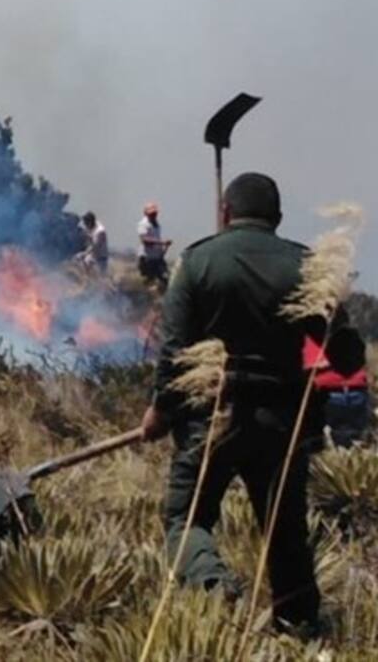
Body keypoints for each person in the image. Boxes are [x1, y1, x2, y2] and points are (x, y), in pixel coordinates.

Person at [139, 172, 366, 635]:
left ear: (224, 213)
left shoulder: (197, 262)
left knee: (186, 520)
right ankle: (299, 627)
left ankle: (212, 584)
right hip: (283, 424)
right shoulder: (308, 268)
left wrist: (161, 411)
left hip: (211, 419)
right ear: (277, 219)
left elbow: (176, 352)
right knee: (285, 531)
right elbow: (345, 357)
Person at [308, 337, 371, 448]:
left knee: (338, 431)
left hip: (331, 393)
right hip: (357, 390)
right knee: (355, 430)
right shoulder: (348, 341)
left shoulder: (313, 345)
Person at [137, 201, 172, 289]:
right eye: (152, 213)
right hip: (147, 259)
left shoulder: (156, 224)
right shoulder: (143, 224)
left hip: (157, 258)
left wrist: (163, 248)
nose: (154, 215)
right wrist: (162, 242)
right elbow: (144, 240)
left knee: (166, 279)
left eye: (155, 213)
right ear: (146, 213)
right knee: (150, 282)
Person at [79, 211, 109, 276]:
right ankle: (88, 282)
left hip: (100, 258)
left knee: (100, 277)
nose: (85, 225)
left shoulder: (100, 232)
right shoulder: (91, 225)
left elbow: (95, 246)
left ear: (89, 222)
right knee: (86, 263)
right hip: (92, 256)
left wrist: (83, 253)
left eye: (86, 223)